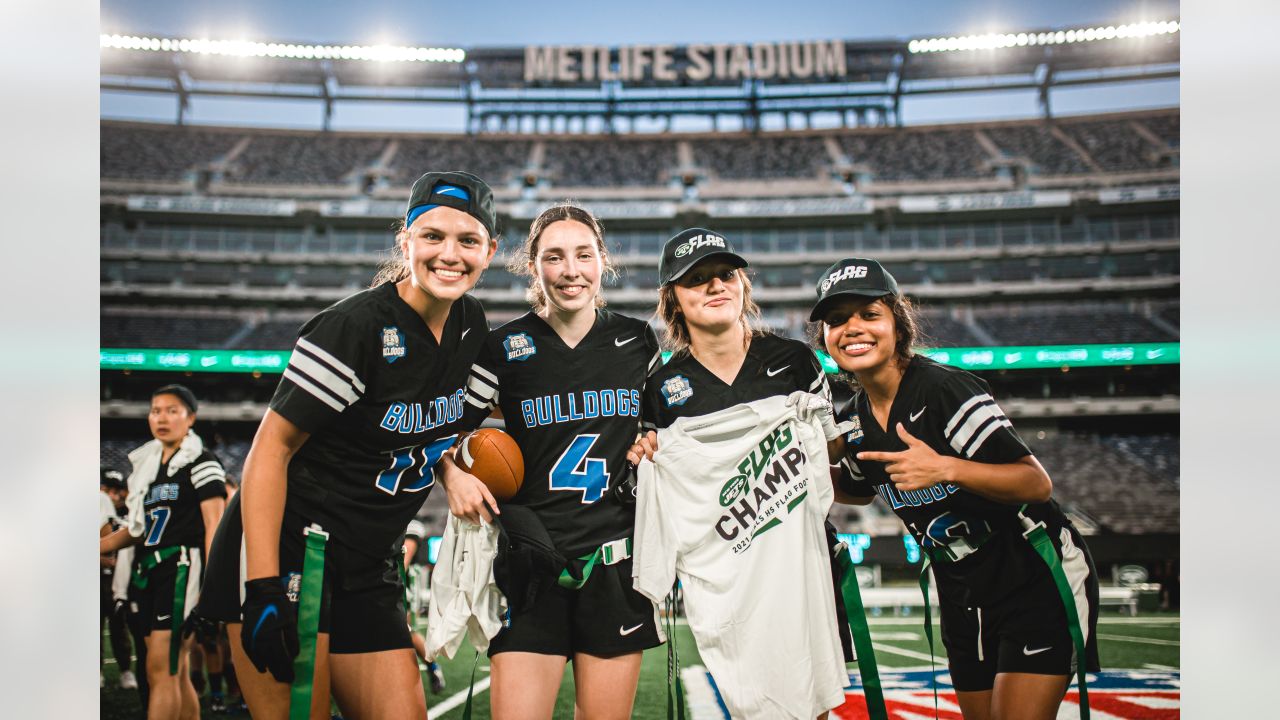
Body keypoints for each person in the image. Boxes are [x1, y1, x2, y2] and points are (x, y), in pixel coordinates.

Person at [196, 170, 498, 720]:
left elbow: (439, 431)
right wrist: (262, 585)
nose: (449, 253)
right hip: (293, 549)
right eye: (432, 236)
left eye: (467, 240)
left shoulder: (473, 328)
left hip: (370, 562)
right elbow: (270, 452)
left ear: (490, 251)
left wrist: (450, 469)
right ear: (404, 241)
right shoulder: (352, 328)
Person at [809, 258, 1100, 720]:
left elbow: (1035, 482)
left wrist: (946, 468)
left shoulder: (944, 390)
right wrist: (792, 472)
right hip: (961, 589)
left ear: (897, 323)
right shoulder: (856, 415)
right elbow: (858, 488)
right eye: (837, 319)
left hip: (1031, 576)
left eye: (869, 314)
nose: (852, 328)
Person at [440, 203, 663, 720]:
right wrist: (450, 472)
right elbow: (445, 431)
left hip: (614, 565)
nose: (570, 271)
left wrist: (651, 440)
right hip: (530, 562)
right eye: (554, 257)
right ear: (532, 266)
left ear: (602, 261)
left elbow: (664, 428)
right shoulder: (502, 348)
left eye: (584, 255)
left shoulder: (636, 341)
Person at [630, 228, 855, 720]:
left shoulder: (793, 361)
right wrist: (649, 454)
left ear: (743, 285)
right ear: (673, 299)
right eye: (697, 280)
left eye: (725, 275)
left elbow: (833, 451)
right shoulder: (663, 386)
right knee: (756, 698)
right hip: (728, 569)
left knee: (814, 698)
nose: (715, 286)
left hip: (799, 559)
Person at [99, 384, 229, 720]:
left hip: (182, 568)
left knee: (162, 668)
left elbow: (215, 526)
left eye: (172, 410)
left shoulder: (201, 462)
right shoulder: (148, 466)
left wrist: (212, 587)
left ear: (191, 418)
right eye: (156, 410)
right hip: (150, 571)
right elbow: (138, 530)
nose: (162, 417)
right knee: (176, 668)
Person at [99, 467, 138, 692]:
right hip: (98, 577)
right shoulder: (99, 506)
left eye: (116, 491)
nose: (112, 496)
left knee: (119, 625)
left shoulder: (128, 513)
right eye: (107, 489)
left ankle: (125, 670)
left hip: (116, 579)